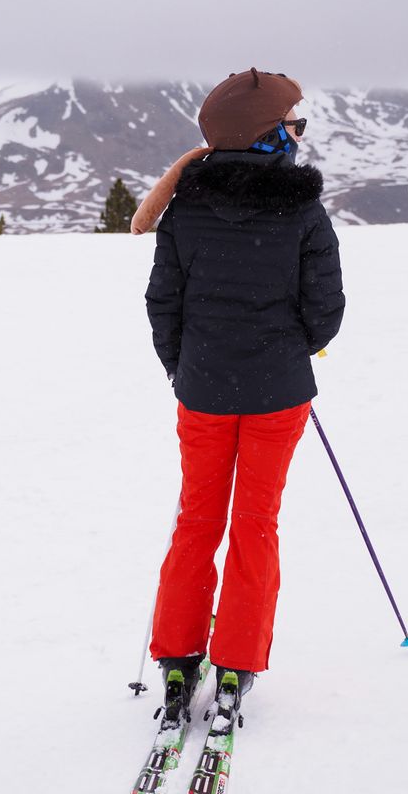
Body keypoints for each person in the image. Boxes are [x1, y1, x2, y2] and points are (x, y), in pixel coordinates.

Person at [142, 68, 344, 727]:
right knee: (255, 524)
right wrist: (289, 350)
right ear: (265, 135)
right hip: (278, 395)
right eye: (293, 124)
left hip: (201, 390)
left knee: (197, 521)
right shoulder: (302, 209)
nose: (299, 134)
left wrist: (185, 367)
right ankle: (235, 664)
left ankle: (178, 658)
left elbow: (164, 302)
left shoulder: (185, 207)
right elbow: (325, 310)